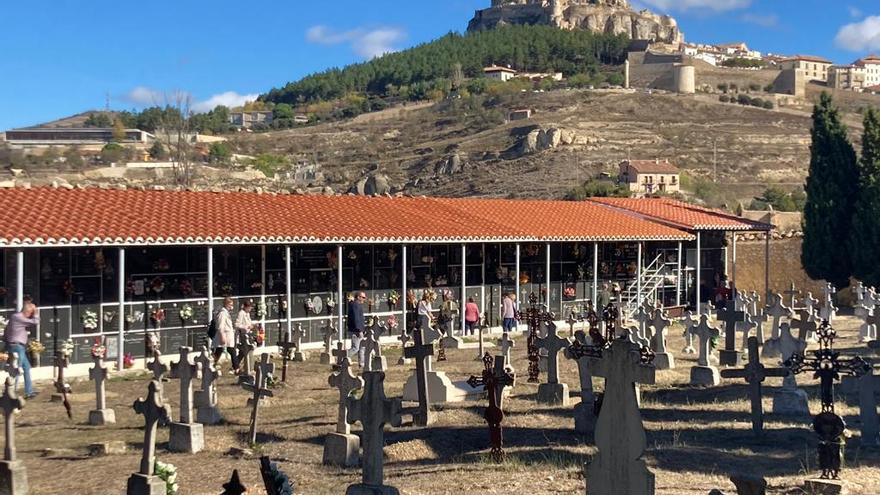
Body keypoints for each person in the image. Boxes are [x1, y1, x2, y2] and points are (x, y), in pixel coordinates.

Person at [4, 302, 39, 398]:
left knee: (26, 368)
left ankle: (29, 392)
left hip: (16, 345)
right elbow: (35, 322)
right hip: (17, 346)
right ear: (28, 312)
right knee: (17, 370)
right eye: (31, 313)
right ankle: (11, 393)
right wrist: (36, 313)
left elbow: (6, 331)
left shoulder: (15, 317)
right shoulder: (18, 317)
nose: (31, 316)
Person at [212, 297, 238, 371]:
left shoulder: (226, 313)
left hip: (227, 336)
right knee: (231, 351)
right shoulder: (222, 314)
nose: (232, 306)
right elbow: (220, 326)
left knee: (219, 352)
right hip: (224, 336)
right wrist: (222, 336)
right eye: (230, 304)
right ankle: (236, 368)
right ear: (226, 304)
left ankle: (210, 364)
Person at [347, 291, 366, 365]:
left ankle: (362, 363)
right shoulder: (355, 305)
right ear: (358, 297)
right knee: (355, 348)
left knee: (362, 347)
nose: (364, 299)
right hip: (356, 330)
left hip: (359, 330)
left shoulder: (357, 305)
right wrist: (358, 329)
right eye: (363, 297)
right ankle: (342, 359)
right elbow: (356, 318)